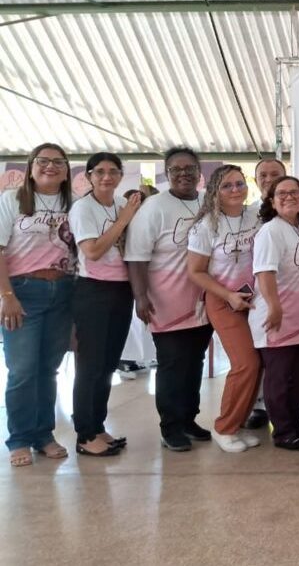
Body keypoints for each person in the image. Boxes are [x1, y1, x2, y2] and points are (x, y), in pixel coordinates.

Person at [125, 146, 213, 452]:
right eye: (176, 169)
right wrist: (140, 296)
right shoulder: (154, 208)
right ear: (167, 173)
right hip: (166, 299)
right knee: (172, 364)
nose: (183, 174)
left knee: (194, 362)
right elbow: (136, 256)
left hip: (202, 300)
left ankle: (189, 419)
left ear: (200, 172)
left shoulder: (207, 203)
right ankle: (171, 427)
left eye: (190, 169)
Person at [1, 143, 76, 467]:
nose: (50, 166)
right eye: (43, 161)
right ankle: (19, 438)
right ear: (31, 167)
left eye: (58, 162)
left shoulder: (73, 203)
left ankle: (43, 434)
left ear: (66, 170)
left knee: (48, 369)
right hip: (23, 292)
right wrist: (7, 297)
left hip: (63, 291)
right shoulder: (12, 200)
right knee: (22, 370)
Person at [186, 165, 262, 453]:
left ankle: (238, 423)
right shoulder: (206, 226)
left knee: (258, 362)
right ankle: (224, 427)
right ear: (215, 191)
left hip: (254, 300)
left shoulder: (255, 216)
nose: (235, 190)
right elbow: (196, 272)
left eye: (240, 184)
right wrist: (228, 296)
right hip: (224, 300)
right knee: (246, 363)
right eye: (228, 185)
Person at [68, 152, 140, 456]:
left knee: (108, 365)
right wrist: (123, 221)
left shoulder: (122, 204)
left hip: (120, 291)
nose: (107, 177)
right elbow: (94, 250)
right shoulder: (83, 208)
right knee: (90, 366)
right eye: (99, 172)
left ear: (121, 175)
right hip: (92, 292)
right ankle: (85, 435)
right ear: (89, 176)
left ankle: (97, 426)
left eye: (113, 171)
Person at [247, 176, 299, 450]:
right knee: (278, 378)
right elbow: (264, 271)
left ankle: (296, 426)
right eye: (282, 193)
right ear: (272, 200)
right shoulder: (271, 231)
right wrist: (275, 306)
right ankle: (283, 432)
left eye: (295, 192)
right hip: (277, 317)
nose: (289, 197)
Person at [244, 159, 287, 430]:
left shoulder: (296, 211)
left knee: (287, 357)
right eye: (263, 174)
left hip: (293, 293)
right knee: (259, 353)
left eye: (275, 174)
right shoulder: (246, 213)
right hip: (253, 294)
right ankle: (258, 406)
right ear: (256, 179)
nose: (268, 178)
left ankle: (293, 409)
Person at [118, 186, 158, 379]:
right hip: (123, 277)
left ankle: (141, 356)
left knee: (142, 321)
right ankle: (125, 359)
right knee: (131, 322)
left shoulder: (150, 220)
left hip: (146, 276)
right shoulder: (122, 222)